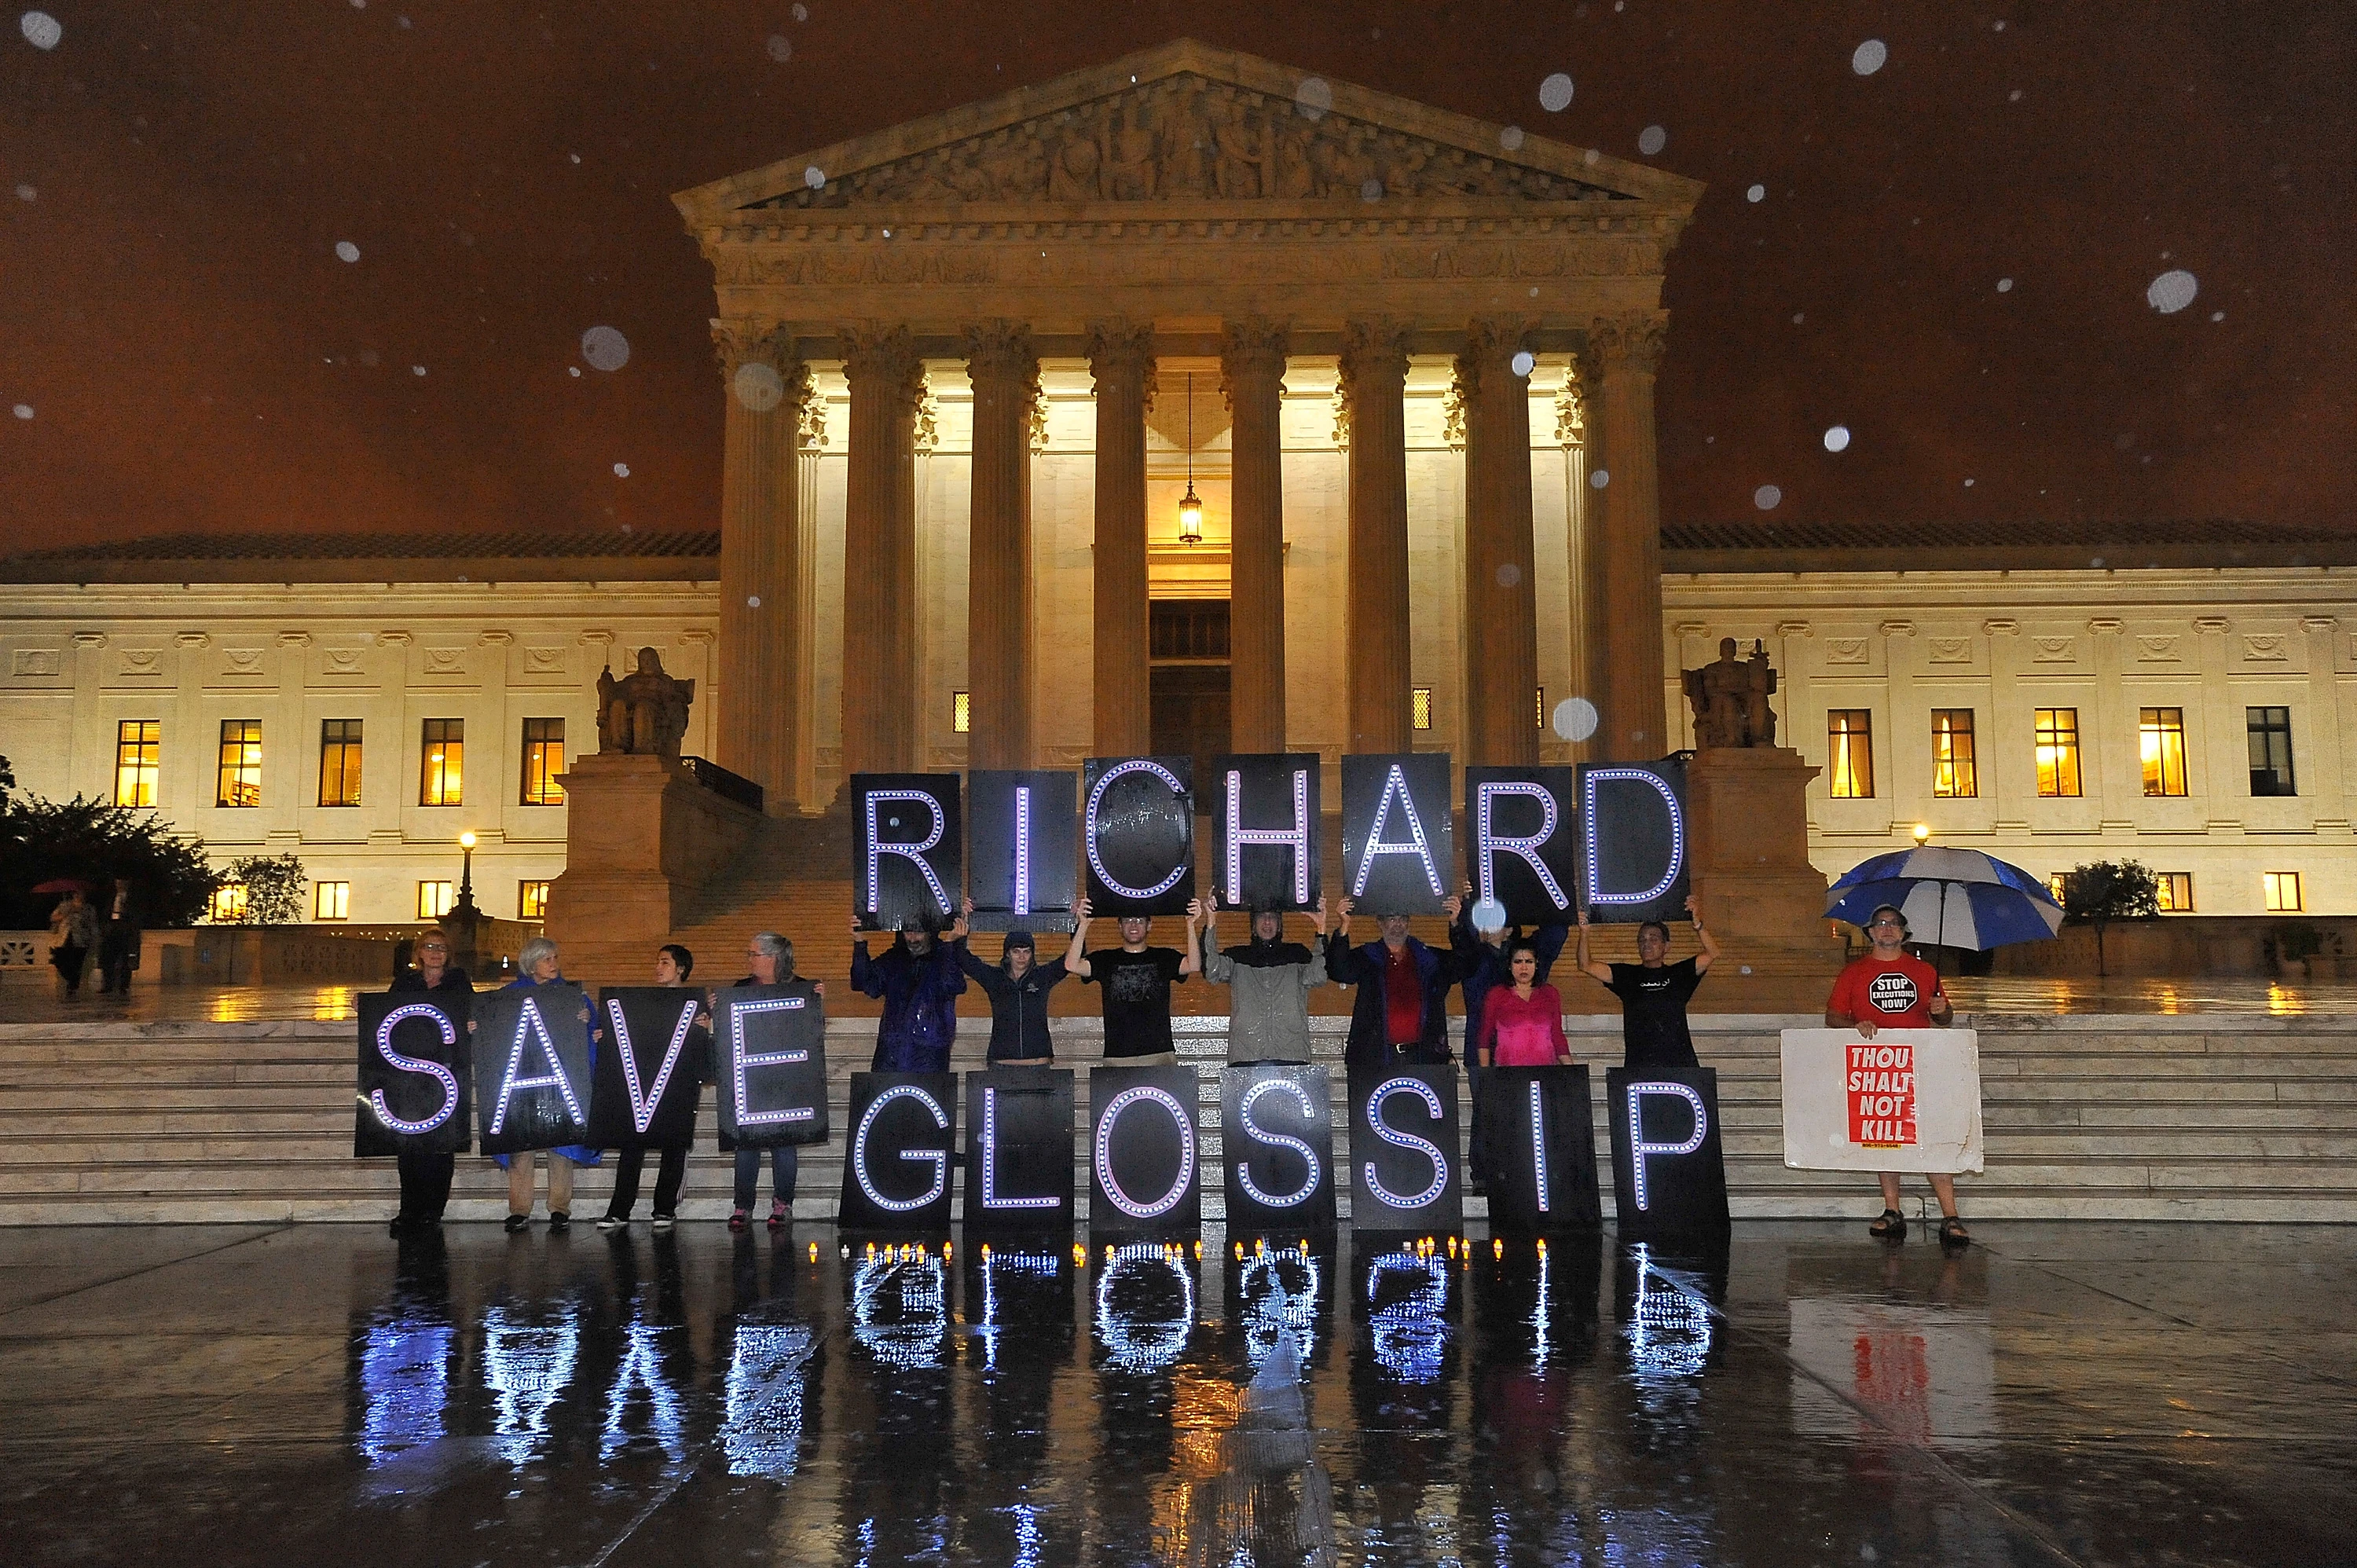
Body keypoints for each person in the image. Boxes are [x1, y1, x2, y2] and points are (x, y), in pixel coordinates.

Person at [1826, 903, 1968, 1248]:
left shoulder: (1925, 971)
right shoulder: (1853, 972)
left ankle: (1950, 1215)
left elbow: (1944, 1019)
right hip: (1876, 1064)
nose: (1887, 929)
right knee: (1885, 1132)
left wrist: (1943, 1010)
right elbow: (1832, 1017)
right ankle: (1892, 1210)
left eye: (1894, 924)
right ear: (1871, 932)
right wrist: (1855, 1023)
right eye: (1880, 924)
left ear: (1904, 933)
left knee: (1932, 1133)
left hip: (1922, 1061)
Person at [1453, 887, 1569, 1190]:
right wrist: (1469, 900)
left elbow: (1557, 928)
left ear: (1509, 927)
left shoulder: (1525, 958)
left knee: (1528, 1115)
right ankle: (1482, 1175)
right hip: (1482, 1050)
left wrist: (1543, 891)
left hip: (1526, 1050)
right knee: (1485, 1116)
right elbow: (1462, 937)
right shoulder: (1473, 958)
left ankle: (1526, 1169)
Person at [598, 943, 709, 1233]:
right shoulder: (641, 1002)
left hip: (676, 1085)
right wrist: (605, 1036)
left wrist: (707, 1028)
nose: (658, 968)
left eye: (665, 962)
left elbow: (705, 1048)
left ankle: (664, 1208)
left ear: (681, 969)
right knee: (631, 1146)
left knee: (673, 1145)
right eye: (658, 962)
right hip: (645, 1084)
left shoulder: (696, 1005)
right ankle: (619, 1210)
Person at [495, 936, 600, 1234]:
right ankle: (519, 1209)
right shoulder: (508, 996)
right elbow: (493, 1029)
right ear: (531, 964)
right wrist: (478, 1025)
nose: (554, 964)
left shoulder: (571, 996)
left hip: (561, 1077)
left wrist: (587, 1021)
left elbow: (595, 1030)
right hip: (524, 1076)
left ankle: (559, 1207)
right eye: (547, 959)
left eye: (555, 958)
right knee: (520, 1145)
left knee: (561, 1143)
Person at [729, 932, 823, 1232]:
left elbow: (812, 1031)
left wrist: (819, 1003)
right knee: (746, 1146)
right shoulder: (741, 989)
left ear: (773, 958)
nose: (750, 960)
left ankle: (783, 1202)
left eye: (754, 954)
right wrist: (715, 1011)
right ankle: (742, 1205)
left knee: (784, 1143)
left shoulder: (800, 988)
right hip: (752, 1077)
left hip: (786, 1077)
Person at [1571, 894, 1720, 1074]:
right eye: (1642, 940)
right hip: (1639, 1065)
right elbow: (1585, 965)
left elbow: (1712, 953)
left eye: (1653, 939)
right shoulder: (1627, 975)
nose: (1647, 944)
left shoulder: (1679, 974)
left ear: (1667, 947)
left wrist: (1698, 925)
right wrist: (1584, 932)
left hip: (1681, 1064)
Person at [386, 932, 471, 1236]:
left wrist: (472, 1022)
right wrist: (366, 1005)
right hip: (408, 1073)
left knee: (441, 1145)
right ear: (418, 952)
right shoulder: (404, 984)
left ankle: (433, 1210)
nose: (435, 953)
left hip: (445, 1074)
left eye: (442, 948)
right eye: (430, 947)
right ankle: (409, 1209)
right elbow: (387, 1014)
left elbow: (470, 1013)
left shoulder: (458, 982)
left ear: (449, 954)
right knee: (408, 1146)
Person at [1325, 893, 1469, 1068]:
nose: (1398, 925)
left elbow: (1465, 966)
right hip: (1376, 1057)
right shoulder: (1367, 956)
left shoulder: (1428, 958)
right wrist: (1344, 925)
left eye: (1402, 919)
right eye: (1392, 919)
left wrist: (1456, 923)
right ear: (1380, 923)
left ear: (1409, 923)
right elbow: (1339, 971)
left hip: (1424, 1057)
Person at [1065, 896, 1203, 1067]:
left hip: (1159, 1054)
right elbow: (1071, 965)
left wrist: (1190, 924)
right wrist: (1084, 924)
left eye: (1139, 920)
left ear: (1149, 926)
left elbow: (1194, 965)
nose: (1134, 925)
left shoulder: (1164, 957)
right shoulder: (1105, 959)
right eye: (1128, 920)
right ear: (1120, 926)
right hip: (1117, 1056)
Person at [1199, 893, 1328, 1063]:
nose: (1267, 922)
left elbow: (1319, 975)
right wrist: (1211, 920)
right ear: (1253, 926)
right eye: (1261, 917)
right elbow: (1211, 970)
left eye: (1272, 917)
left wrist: (1322, 929)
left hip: (1292, 1054)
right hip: (1245, 1056)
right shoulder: (1236, 956)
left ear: (1279, 925)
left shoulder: (1297, 954)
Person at [953, 898, 1068, 1066]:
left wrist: (1077, 925)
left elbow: (1071, 960)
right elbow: (962, 958)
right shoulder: (994, 978)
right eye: (1016, 951)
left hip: (1038, 1063)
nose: (1022, 957)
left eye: (1026, 952)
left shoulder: (1042, 977)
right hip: (1001, 1062)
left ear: (1032, 954)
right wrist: (965, 921)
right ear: (1007, 954)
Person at [850, 910, 967, 1073]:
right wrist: (859, 943)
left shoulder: (943, 957)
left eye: (918, 932)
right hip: (892, 1052)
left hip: (929, 1054)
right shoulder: (894, 959)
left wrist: (950, 944)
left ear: (929, 932)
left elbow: (954, 984)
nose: (912, 938)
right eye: (908, 932)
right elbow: (864, 984)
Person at [1473, 939, 1574, 1068]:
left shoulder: (1550, 993)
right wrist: (1485, 1076)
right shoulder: (1497, 994)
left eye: (1529, 961)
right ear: (1509, 965)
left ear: (1537, 964)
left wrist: (1572, 1071)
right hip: (1508, 1072)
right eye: (1518, 962)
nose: (1524, 967)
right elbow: (1484, 1037)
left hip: (1546, 1070)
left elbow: (1557, 1035)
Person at [47, 886, 98, 1000]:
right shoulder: (64, 905)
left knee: (77, 964)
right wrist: (65, 914)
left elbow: (93, 925)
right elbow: (53, 918)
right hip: (64, 938)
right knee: (58, 959)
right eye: (75, 893)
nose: (77, 895)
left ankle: (72, 987)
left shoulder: (89, 909)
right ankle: (73, 980)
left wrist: (94, 940)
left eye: (80, 893)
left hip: (81, 939)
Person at [97, 876, 140, 996]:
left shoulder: (132, 899)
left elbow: (135, 915)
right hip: (112, 930)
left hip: (126, 931)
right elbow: (106, 913)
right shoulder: (111, 898)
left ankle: (123, 986)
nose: (119, 885)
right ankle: (108, 985)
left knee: (126, 960)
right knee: (108, 959)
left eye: (122, 883)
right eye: (118, 883)